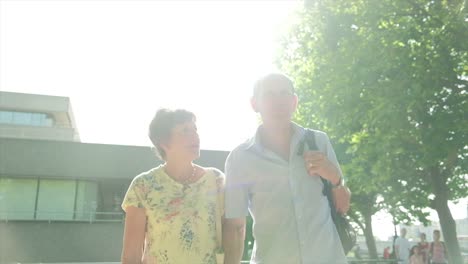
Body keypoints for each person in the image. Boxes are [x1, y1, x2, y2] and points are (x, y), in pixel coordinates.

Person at [223, 73, 351, 264]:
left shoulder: (318, 141)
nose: (278, 101)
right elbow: (235, 227)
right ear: (254, 104)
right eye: (269, 95)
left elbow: (343, 205)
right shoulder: (240, 158)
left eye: (284, 93)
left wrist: (335, 178)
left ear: (294, 101)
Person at [121, 109, 225, 264]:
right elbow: (131, 256)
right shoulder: (143, 186)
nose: (195, 136)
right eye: (185, 130)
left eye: (195, 129)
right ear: (164, 143)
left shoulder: (216, 180)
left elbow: (232, 234)